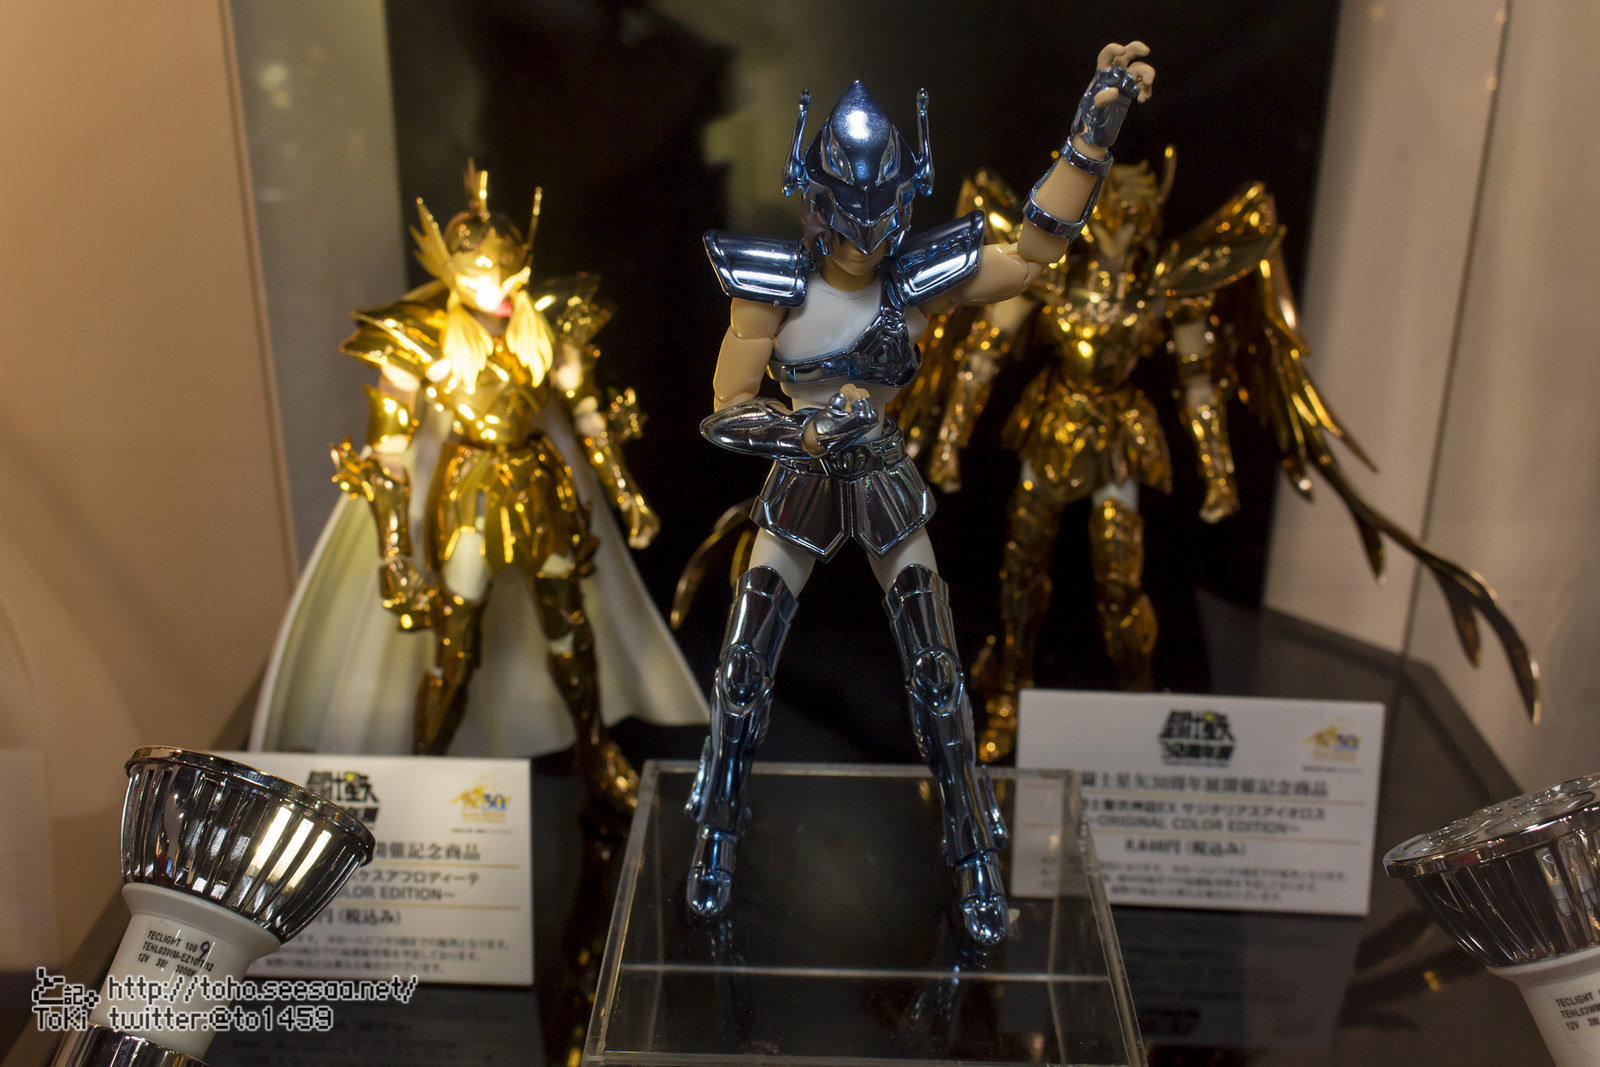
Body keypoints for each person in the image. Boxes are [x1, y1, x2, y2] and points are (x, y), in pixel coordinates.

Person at [688, 44, 1155, 945]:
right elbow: (726, 411)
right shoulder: (772, 286)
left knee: (938, 671)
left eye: (880, 217)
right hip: (803, 475)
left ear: (903, 201)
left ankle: (973, 847)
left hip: (883, 477)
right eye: (846, 218)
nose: (862, 239)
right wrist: (806, 434)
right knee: (744, 665)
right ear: (814, 201)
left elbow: (1034, 254)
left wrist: (1091, 136)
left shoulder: (914, 280)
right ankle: (716, 829)